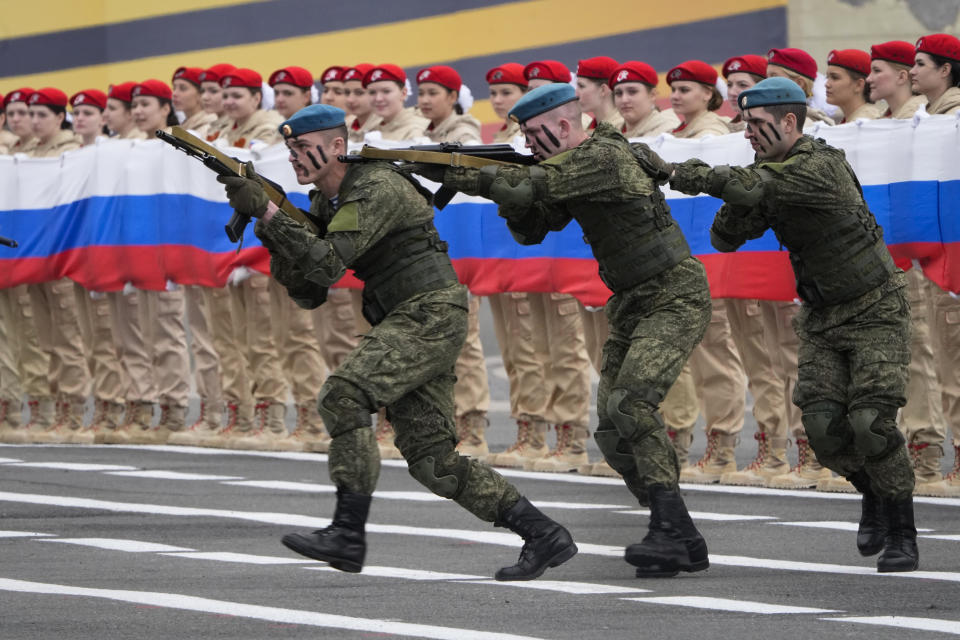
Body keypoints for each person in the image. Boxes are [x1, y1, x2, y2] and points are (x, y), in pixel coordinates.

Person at [219, 103, 578, 580]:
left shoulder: (376, 186)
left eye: (304, 148)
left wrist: (267, 210)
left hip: (427, 313)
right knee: (433, 462)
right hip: (407, 316)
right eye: (290, 150)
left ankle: (348, 532)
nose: (295, 158)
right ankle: (543, 533)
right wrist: (271, 222)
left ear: (337, 147)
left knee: (343, 395)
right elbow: (309, 291)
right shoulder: (331, 200)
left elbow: (326, 264)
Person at [410, 83, 712, 577]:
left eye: (533, 134)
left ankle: (666, 529)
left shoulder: (602, 158)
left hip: (673, 293)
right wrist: (488, 181)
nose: (527, 144)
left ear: (565, 127)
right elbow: (532, 226)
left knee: (631, 404)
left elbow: (531, 187)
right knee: (614, 435)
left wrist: (466, 176)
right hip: (634, 300)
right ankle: (683, 535)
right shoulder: (567, 169)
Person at [671, 76, 919, 573]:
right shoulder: (766, 175)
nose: (748, 135)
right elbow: (724, 237)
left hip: (875, 309)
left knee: (871, 422)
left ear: (789, 122)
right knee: (824, 430)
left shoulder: (821, 166)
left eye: (758, 126)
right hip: (822, 316)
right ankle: (872, 490)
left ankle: (902, 528)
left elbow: (759, 186)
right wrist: (743, 197)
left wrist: (682, 171)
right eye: (745, 126)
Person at [510, 59, 594, 473]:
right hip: (530, 257)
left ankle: (572, 435)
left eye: (541, 88)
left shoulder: (576, 138)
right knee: (530, 349)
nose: (531, 94)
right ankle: (535, 429)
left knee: (566, 349)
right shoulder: (525, 138)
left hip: (567, 256)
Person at [415, 65, 493, 458]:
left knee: (464, 341)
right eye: (421, 92)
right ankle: (445, 420)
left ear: (452, 96)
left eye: (433, 92)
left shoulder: (463, 135)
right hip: (426, 253)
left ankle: (473, 425)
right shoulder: (424, 133)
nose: (425, 99)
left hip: (456, 251)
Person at [216, 67, 293, 451]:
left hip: (258, 250)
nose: (229, 102)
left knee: (266, 337)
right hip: (233, 250)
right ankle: (244, 410)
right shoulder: (224, 132)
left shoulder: (269, 131)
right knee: (236, 337)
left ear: (255, 98)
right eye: (225, 96)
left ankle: (273, 413)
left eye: (237, 96)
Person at [23, 88, 87, 444]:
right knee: (43, 338)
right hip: (34, 257)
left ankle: (75, 410)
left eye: (40, 115)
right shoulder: (29, 153)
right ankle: (54, 407)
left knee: (67, 338)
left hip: (60, 256)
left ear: (59, 117)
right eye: (30, 115)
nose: (33, 122)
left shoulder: (70, 152)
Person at [911, 33, 960, 493]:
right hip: (933, 255)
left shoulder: (954, 120)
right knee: (938, 359)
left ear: (945, 70)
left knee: (955, 363)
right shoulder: (928, 119)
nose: (913, 70)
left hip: (952, 257)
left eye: (921, 62)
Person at [68, 89, 128, 443]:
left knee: (107, 336)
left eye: (88, 112)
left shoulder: (109, 154)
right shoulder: (72, 155)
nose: (80, 119)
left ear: (103, 117)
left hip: (105, 253)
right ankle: (101, 405)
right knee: (89, 337)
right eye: (75, 113)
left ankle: (113, 406)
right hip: (79, 254)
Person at [0, 88, 48, 444]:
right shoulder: (16, 153)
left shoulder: (18, 156)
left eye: (25, 112)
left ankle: (41, 409)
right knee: (8, 338)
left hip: (25, 254)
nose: (20, 120)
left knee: (31, 336)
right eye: (14, 112)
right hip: (12, 256)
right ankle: (10, 406)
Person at [765, 47, 836, 127]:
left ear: (799, 83)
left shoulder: (813, 125)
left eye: (774, 77)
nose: (766, 84)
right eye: (767, 77)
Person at [612, 61, 680, 138]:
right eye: (618, 93)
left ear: (652, 95)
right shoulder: (610, 134)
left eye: (632, 92)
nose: (624, 100)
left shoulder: (667, 134)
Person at [363, 64, 429, 141]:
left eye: (386, 91)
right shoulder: (372, 129)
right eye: (372, 92)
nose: (378, 98)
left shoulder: (416, 130)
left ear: (403, 93)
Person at [867, 41, 927, 119]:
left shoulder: (916, 118)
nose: (868, 79)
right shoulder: (893, 116)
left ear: (901, 77)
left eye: (877, 71)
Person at [825, 49, 881, 123]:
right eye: (827, 77)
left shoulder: (865, 123)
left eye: (835, 78)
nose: (827, 84)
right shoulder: (854, 120)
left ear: (859, 85)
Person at [576, 56, 623, 131]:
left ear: (603, 90)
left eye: (581, 86)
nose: (576, 94)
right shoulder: (590, 128)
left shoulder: (621, 129)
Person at [723, 55, 767, 132]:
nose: (732, 92)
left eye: (742, 85)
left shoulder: (772, 126)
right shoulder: (729, 127)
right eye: (729, 85)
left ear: (763, 86)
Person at [172, 67, 217, 136]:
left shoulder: (210, 127)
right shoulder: (184, 126)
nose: (175, 93)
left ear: (200, 93)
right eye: (174, 88)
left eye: (183, 88)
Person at [342, 64, 381, 142]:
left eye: (359, 93)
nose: (350, 99)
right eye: (347, 92)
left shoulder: (385, 128)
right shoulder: (345, 127)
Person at [198, 64, 236, 142]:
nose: (204, 97)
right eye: (202, 91)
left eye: (213, 91)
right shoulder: (212, 126)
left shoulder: (236, 128)